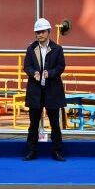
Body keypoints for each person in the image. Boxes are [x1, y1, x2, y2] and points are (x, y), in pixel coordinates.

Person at [23, 18, 66, 161]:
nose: (39, 35)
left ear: (48, 32)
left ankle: (57, 151)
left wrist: (50, 73)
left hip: (52, 90)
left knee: (54, 123)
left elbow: (61, 66)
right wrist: (33, 73)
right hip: (35, 91)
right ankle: (31, 151)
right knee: (33, 124)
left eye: (42, 32)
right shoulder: (31, 49)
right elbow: (26, 66)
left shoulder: (57, 49)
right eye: (37, 32)